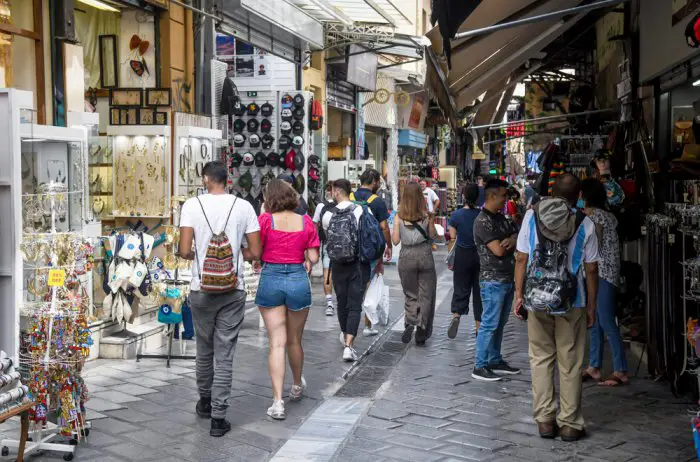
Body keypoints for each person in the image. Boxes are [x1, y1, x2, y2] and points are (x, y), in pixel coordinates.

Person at [513, 173, 600, 442]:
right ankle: (571, 424)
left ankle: (545, 421)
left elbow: (521, 258)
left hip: (537, 299)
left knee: (540, 358)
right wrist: (591, 306)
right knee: (571, 361)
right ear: (578, 197)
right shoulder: (586, 223)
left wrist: (519, 295)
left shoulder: (532, 216)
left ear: (552, 191)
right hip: (572, 301)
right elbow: (592, 268)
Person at [179, 161, 261, 437]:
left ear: (205, 179)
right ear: (227, 180)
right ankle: (219, 416)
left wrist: (196, 256)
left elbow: (183, 249)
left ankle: (204, 401)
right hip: (232, 288)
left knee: (204, 348)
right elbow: (255, 251)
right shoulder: (243, 207)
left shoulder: (192, 206)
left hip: (200, 288)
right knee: (225, 352)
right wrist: (238, 252)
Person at [255, 179, 320, 420]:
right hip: (296, 278)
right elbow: (313, 256)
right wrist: (303, 254)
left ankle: (277, 402)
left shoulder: (265, 221)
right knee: (295, 340)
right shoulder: (305, 221)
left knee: (276, 343)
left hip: (271, 277)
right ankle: (295, 385)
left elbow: (257, 251)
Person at [579, 178, 628, 386]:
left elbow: (593, 246)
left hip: (602, 272)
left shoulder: (595, 217)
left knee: (606, 320)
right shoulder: (606, 216)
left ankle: (621, 369)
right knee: (596, 321)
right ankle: (594, 365)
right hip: (602, 272)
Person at [471, 178, 521, 382]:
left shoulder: (501, 218)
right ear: (491, 196)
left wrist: (512, 239)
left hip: (507, 278)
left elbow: (517, 236)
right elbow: (499, 250)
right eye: (503, 196)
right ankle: (479, 364)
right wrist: (510, 241)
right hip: (493, 280)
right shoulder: (482, 221)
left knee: (500, 323)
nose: (505, 200)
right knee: (489, 322)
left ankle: (494, 359)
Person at [321, 179, 365, 362]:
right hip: (356, 263)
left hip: (336, 264)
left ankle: (344, 334)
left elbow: (326, 237)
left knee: (342, 303)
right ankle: (349, 345)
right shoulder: (359, 211)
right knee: (355, 305)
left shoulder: (327, 215)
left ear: (337, 192)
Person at [393, 182, 438, 345]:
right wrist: (431, 221)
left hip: (406, 256)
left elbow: (395, 241)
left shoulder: (399, 215)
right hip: (424, 255)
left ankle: (411, 320)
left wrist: (397, 226)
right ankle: (421, 332)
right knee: (426, 295)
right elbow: (433, 236)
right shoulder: (426, 214)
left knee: (411, 294)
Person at [352, 168, 392, 337]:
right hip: (371, 250)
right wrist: (388, 245)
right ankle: (368, 325)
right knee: (370, 282)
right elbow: (383, 227)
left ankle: (349, 326)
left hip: (352, 247)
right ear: (374, 182)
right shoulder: (377, 201)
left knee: (354, 284)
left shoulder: (351, 197)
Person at [447, 184, 482, 339]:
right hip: (480, 256)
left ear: (463, 197)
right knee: (479, 292)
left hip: (462, 254)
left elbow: (452, 237)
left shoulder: (457, 214)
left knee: (460, 287)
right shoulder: (482, 215)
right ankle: (478, 328)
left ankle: (456, 316)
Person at [313, 181, 336, 316]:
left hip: (327, 244)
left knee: (328, 271)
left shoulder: (321, 206)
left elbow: (315, 224)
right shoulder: (346, 205)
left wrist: (316, 242)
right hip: (344, 246)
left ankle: (329, 302)